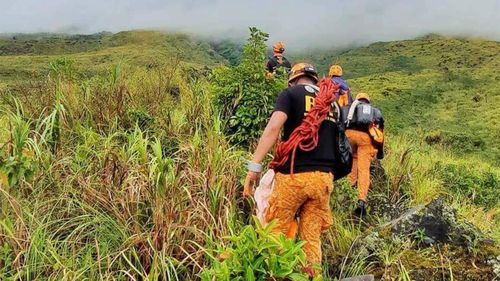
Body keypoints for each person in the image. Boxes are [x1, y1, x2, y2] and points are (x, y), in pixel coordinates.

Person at [243, 63, 341, 277]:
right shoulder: (332, 103)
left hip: (293, 176)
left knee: (275, 230)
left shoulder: (291, 94)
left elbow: (273, 128)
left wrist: (254, 166)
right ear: (315, 79)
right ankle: (310, 277)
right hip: (323, 180)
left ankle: (274, 274)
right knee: (311, 240)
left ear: (292, 79)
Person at [345, 93, 384, 216]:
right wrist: (380, 152)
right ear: (368, 101)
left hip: (349, 136)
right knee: (363, 169)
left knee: (352, 162)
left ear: (357, 99)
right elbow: (380, 133)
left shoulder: (349, 107)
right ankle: (361, 200)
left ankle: (348, 191)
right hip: (365, 139)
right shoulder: (375, 111)